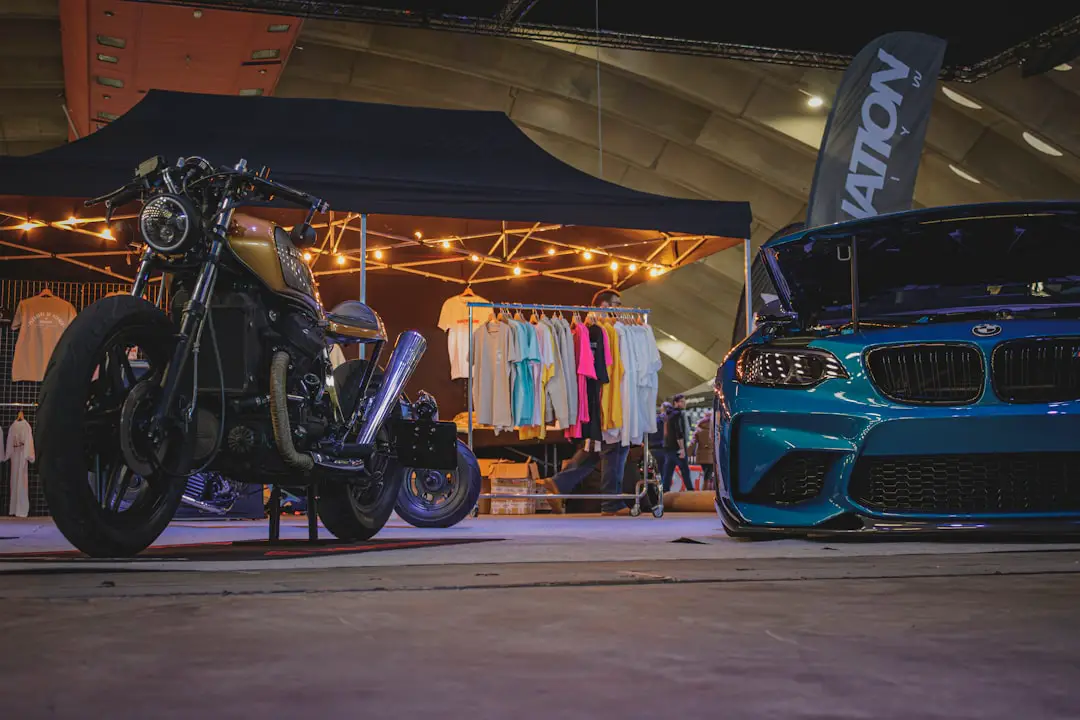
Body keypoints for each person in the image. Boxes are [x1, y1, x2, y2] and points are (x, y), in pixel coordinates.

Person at [545, 288, 631, 516]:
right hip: (606, 397)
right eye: (617, 304)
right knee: (615, 447)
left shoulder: (592, 330)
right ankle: (611, 503)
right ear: (603, 307)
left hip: (595, 398)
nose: (620, 310)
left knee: (594, 448)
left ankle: (559, 484)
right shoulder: (604, 332)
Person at [661, 394, 692, 492]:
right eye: (682, 401)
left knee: (667, 474)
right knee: (685, 472)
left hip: (668, 448)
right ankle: (691, 493)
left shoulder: (668, 415)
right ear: (675, 403)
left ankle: (664, 496)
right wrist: (682, 448)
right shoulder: (678, 414)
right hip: (677, 448)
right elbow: (679, 432)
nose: (684, 403)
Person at [691, 411, 715, 490]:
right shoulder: (714, 429)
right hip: (711, 456)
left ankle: (705, 489)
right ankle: (706, 490)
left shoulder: (698, 430)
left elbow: (693, 443)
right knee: (709, 474)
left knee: (706, 474)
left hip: (701, 457)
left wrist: (688, 453)